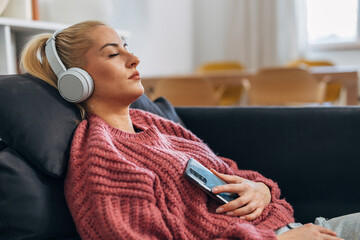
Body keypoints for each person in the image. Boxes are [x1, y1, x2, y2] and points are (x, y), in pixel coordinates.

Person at [20, 20, 359, 240]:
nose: (133, 58)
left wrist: (262, 190)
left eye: (127, 46)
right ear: (76, 80)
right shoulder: (102, 156)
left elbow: (230, 175)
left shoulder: (158, 126)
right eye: (113, 53)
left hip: (300, 230)